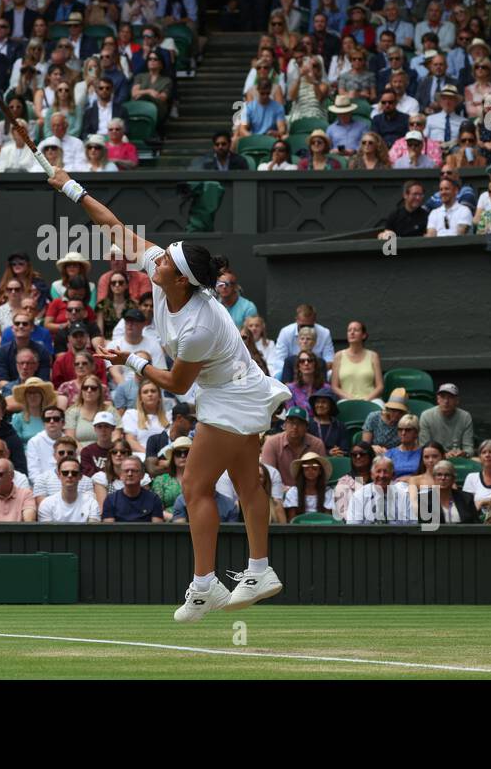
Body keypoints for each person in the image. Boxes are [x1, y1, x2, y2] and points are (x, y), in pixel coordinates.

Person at [46, 146, 291, 620]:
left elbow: (178, 385)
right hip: (239, 386)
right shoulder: (167, 275)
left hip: (232, 394)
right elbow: (114, 229)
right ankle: (259, 568)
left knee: (194, 488)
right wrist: (70, 186)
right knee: (245, 481)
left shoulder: (198, 325)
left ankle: (205, 586)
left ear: (181, 280)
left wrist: (133, 361)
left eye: (163, 265)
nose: (153, 264)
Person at [345, 455, 414, 524]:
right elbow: (353, 527)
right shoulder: (359, 496)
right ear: (372, 474)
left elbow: (411, 526)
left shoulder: (403, 496)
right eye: (378, 471)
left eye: (386, 471)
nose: (382, 475)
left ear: (392, 475)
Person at [38, 456, 101, 522]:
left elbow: (92, 530)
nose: (70, 475)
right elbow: (47, 531)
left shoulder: (91, 503)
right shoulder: (47, 504)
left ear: (80, 476)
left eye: (74, 473)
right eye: (65, 473)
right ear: (59, 475)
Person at [417, 383, 474, 455]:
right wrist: (444, 455)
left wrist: (463, 453)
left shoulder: (465, 417)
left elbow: (469, 449)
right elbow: (424, 448)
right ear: (438, 399)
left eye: (450, 397)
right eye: (443, 397)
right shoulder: (426, 416)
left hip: (458, 459)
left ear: (457, 400)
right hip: (434, 459)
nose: (446, 401)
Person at [415, 460, 479, 525]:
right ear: (434, 478)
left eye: (447, 475)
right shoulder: (424, 499)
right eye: (439, 475)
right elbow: (424, 527)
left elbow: (475, 524)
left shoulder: (466, 498)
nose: (443, 478)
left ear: (453, 479)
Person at [283, 451, 333, 518]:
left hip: (322, 526)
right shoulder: (293, 492)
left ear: (320, 471)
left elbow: (328, 519)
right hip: (299, 527)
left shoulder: (328, 492)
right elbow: (292, 520)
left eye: (314, 467)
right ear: (302, 470)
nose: (310, 470)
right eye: (306, 467)